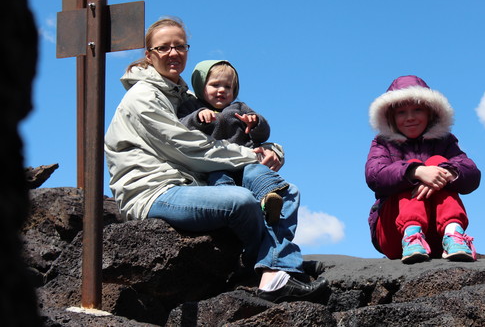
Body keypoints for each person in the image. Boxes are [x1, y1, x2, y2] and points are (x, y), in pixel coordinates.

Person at [104, 17, 328, 303]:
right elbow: (189, 148)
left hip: (187, 182)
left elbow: (234, 135)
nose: (173, 53)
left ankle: (277, 263)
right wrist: (252, 155)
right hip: (152, 191)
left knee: (281, 193)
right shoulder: (143, 97)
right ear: (149, 55)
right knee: (240, 201)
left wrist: (272, 149)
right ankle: (270, 267)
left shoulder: (182, 96)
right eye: (163, 48)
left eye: (180, 46)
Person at [365, 75, 481, 264]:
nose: (410, 117)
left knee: (438, 162)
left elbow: (472, 175)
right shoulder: (383, 143)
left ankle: (453, 234)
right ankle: (412, 235)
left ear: (430, 113)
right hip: (394, 234)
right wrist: (415, 172)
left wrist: (446, 173)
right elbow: (374, 176)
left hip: (435, 235)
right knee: (405, 171)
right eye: (401, 112)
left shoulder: (445, 141)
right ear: (391, 117)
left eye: (417, 109)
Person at [177, 60, 287, 226]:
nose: (222, 90)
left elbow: (264, 134)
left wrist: (255, 122)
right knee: (219, 181)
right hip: (215, 164)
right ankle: (234, 210)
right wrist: (197, 118)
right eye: (215, 85)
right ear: (201, 87)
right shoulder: (192, 107)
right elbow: (180, 126)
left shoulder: (239, 107)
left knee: (257, 173)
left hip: (244, 160)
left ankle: (269, 199)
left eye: (228, 87)